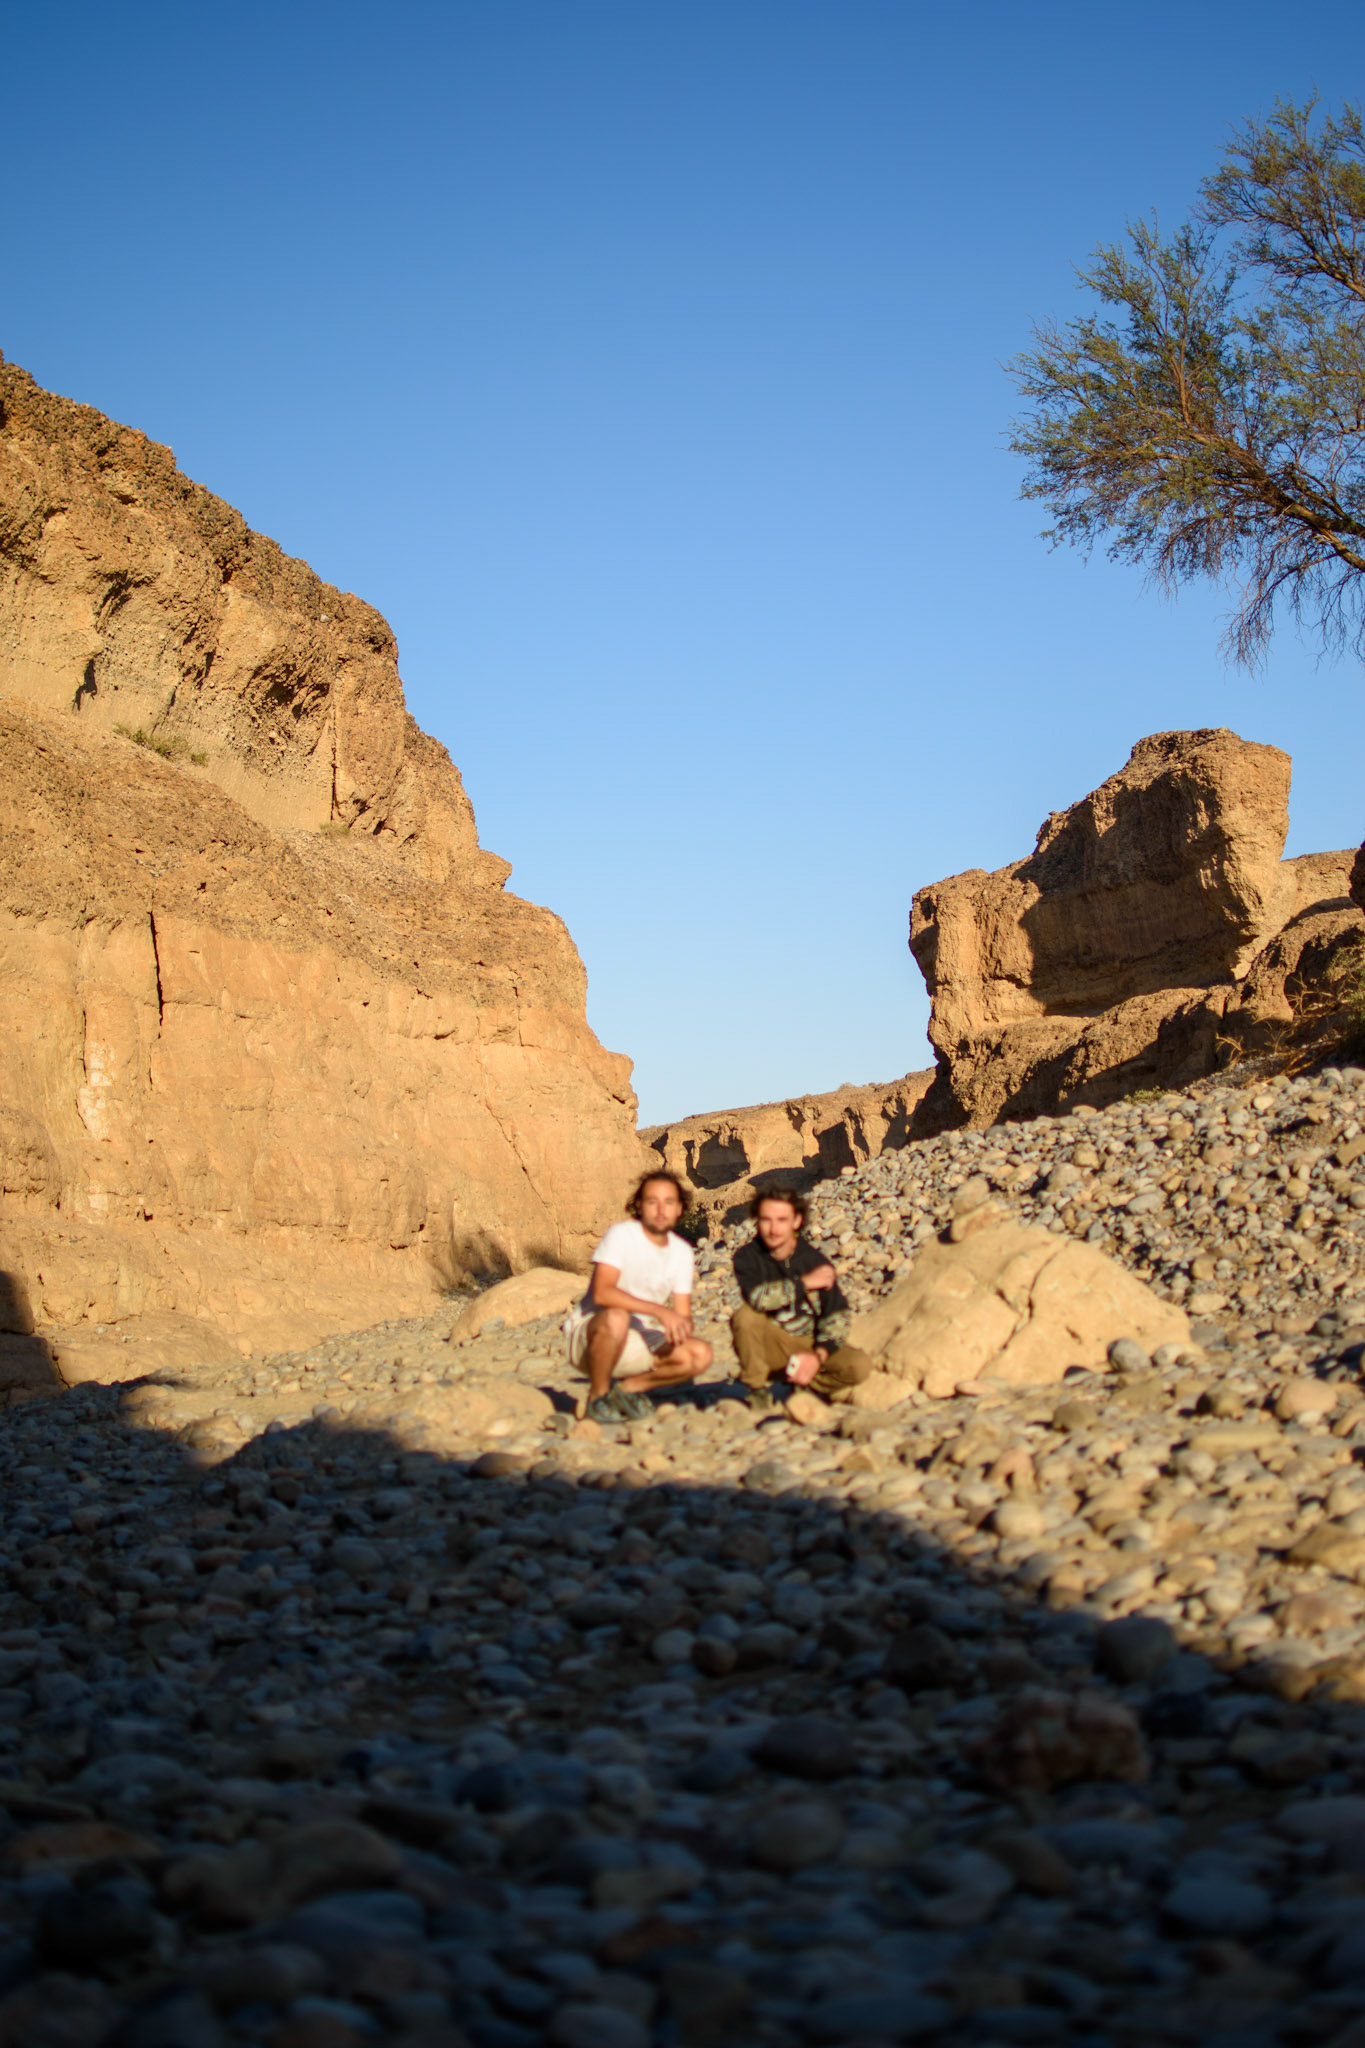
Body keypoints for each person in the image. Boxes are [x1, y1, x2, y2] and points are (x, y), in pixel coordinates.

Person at [564, 1172, 714, 1421]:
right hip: (590, 1339)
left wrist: (680, 1328)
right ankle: (598, 1397)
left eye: (668, 1202)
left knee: (700, 1353)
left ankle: (628, 1390)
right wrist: (659, 1311)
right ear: (639, 1206)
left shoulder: (682, 1252)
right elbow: (602, 1292)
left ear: (679, 1209)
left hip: (638, 1340)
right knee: (617, 1317)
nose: (661, 1210)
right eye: (652, 1201)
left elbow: (683, 1314)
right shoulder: (621, 1235)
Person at [731, 1186, 874, 1408]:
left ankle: (807, 1385)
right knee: (745, 1317)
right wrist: (805, 1283)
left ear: (796, 1221)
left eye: (781, 1220)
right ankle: (757, 1390)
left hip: (808, 1341)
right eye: (766, 1220)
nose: (773, 1229)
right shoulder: (747, 1257)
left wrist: (818, 1356)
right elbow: (758, 1298)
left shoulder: (814, 1261)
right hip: (772, 1343)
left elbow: (836, 1315)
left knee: (859, 1365)